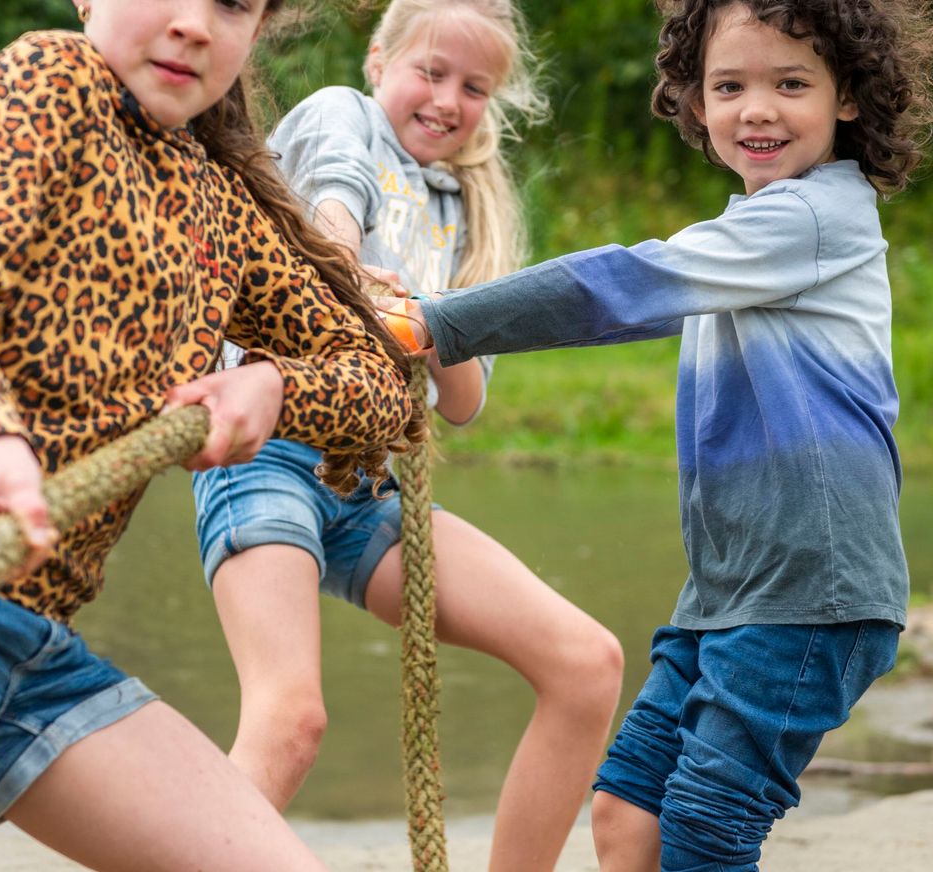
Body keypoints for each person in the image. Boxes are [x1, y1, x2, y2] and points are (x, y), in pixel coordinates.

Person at [0, 1, 423, 869]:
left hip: (33, 632)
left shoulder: (217, 205)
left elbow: (384, 387)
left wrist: (274, 385)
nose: (194, 23)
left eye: (232, 3)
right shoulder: (50, 79)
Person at [384, 1, 933, 869]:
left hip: (814, 587)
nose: (758, 109)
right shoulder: (751, 232)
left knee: (705, 829)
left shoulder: (815, 220)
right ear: (696, 103)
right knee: (628, 816)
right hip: (729, 592)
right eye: (729, 85)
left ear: (847, 95)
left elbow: (621, 285)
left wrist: (437, 323)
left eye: (792, 84)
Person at [191, 1, 625, 867]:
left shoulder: (471, 207)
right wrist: (352, 266)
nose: (448, 100)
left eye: (475, 86)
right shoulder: (341, 114)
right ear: (379, 60)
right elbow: (332, 204)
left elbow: (461, 403)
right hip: (269, 452)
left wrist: (435, 322)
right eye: (431, 72)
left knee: (587, 663)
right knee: (291, 718)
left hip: (368, 485)